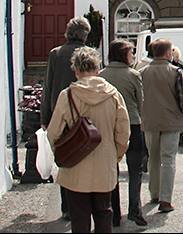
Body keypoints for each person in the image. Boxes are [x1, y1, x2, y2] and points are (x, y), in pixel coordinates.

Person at [47, 46, 130, 234]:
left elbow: (54, 133)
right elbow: (123, 133)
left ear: (76, 71)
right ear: (97, 69)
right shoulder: (113, 95)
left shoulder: (67, 96)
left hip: (75, 166)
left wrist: (62, 154)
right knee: (104, 213)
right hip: (104, 163)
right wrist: (115, 155)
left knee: (79, 218)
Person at [42, 16, 91, 220]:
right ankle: (83, 205)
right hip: (86, 115)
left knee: (65, 159)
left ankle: (67, 207)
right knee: (86, 158)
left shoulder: (56, 54)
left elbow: (48, 86)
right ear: (84, 35)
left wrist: (45, 118)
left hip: (61, 114)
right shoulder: (89, 54)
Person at [99, 40, 147, 227]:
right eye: (131, 53)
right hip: (132, 125)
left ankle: (114, 213)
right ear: (123, 55)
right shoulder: (134, 75)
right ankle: (135, 209)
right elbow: (140, 102)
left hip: (109, 125)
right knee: (135, 169)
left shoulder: (102, 75)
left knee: (112, 169)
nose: (133, 56)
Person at [139, 39, 183, 214]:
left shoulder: (142, 72)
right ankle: (165, 199)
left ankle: (154, 193)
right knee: (168, 160)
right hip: (171, 120)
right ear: (168, 53)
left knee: (153, 158)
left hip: (150, 120)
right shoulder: (175, 72)